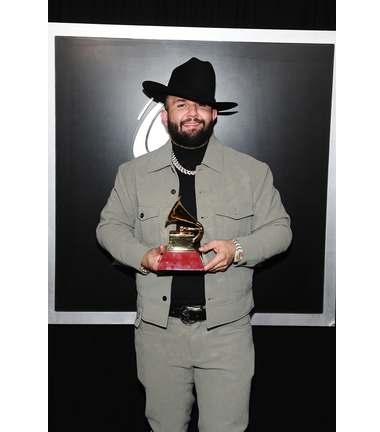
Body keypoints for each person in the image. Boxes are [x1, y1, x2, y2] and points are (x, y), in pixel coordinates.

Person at [96, 57, 292, 432]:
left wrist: (236, 248)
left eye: (201, 104)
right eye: (180, 104)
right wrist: (144, 255)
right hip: (159, 334)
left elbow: (281, 230)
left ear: (214, 114)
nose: (191, 113)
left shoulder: (252, 173)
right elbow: (109, 228)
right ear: (164, 114)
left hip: (227, 334)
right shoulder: (132, 174)